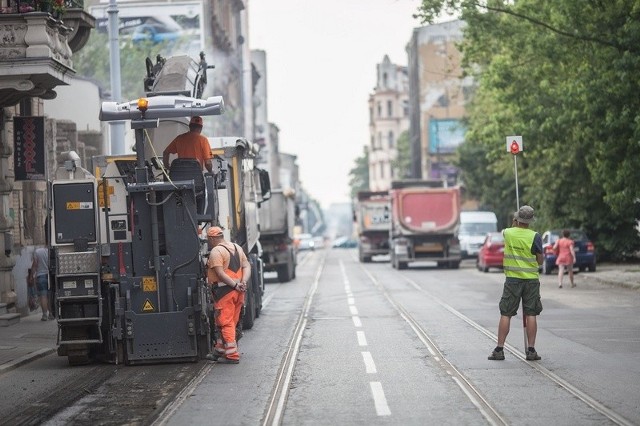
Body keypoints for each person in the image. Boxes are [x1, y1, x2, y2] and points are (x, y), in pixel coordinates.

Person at [488, 205, 544, 361]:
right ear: (531, 221)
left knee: (506, 313)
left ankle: (499, 350)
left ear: (517, 219)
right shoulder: (535, 236)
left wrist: (514, 223)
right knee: (531, 314)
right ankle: (531, 350)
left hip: (512, 280)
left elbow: (508, 230)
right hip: (531, 280)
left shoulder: (508, 233)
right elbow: (540, 261)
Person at [204, 226, 251, 364]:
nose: (208, 242)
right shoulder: (236, 247)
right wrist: (242, 283)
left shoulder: (216, 251)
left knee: (225, 323)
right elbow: (247, 266)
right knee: (230, 321)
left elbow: (220, 273)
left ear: (212, 238)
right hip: (238, 293)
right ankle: (220, 349)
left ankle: (232, 355)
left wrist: (235, 285)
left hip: (225, 292)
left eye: (208, 239)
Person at [31, 246, 53, 321]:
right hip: (50, 276)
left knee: (43, 296)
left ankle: (44, 315)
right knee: (50, 296)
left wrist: (32, 276)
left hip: (41, 276)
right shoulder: (51, 251)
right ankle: (51, 314)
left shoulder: (37, 252)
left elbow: (35, 265)